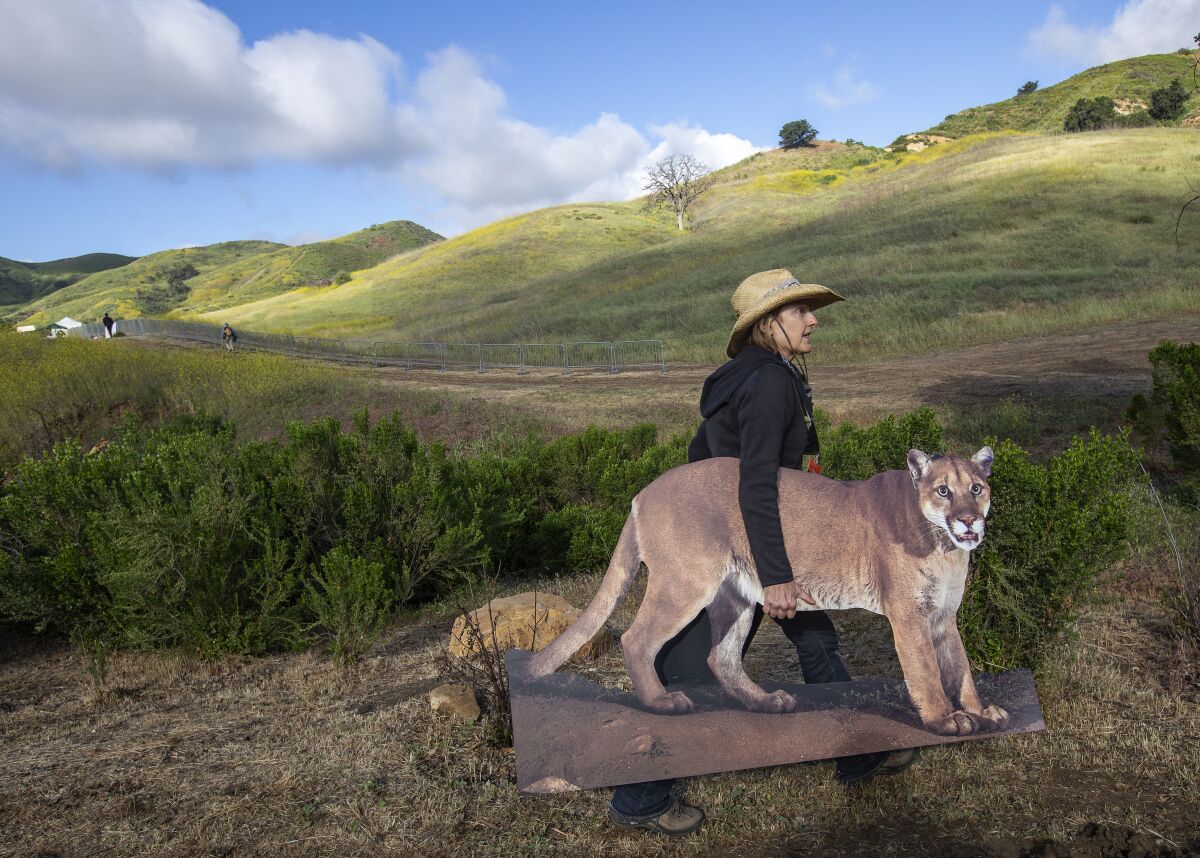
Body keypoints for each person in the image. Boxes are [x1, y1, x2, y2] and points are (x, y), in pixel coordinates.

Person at [607, 269, 918, 837]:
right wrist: (774, 575)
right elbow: (754, 484)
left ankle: (856, 751)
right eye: (799, 312)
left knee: (813, 638)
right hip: (736, 540)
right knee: (687, 666)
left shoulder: (759, 375)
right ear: (768, 323)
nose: (813, 319)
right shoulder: (771, 382)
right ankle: (640, 795)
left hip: (755, 530)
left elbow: (754, 473)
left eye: (808, 310)